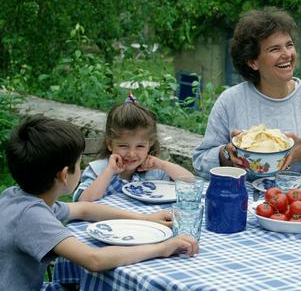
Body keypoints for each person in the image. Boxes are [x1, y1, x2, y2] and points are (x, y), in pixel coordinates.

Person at [0, 116, 198, 290]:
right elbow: (94, 260)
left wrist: (145, 219)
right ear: (63, 175)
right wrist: (162, 248)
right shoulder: (33, 217)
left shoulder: (17, 197)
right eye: (78, 164)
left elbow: (84, 209)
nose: (81, 168)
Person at [192, 7, 301, 182]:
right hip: (244, 201)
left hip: (299, 204)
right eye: (275, 49)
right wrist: (226, 155)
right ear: (253, 62)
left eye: (289, 45)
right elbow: (200, 162)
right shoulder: (230, 100)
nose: (287, 55)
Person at [73, 93, 193, 201]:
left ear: (150, 144)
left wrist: (163, 165)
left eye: (140, 146)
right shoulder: (98, 170)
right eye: (123, 146)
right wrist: (109, 172)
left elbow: (190, 182)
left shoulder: (154, 172)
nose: (131, 154)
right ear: (110, 143)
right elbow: (83, 201)